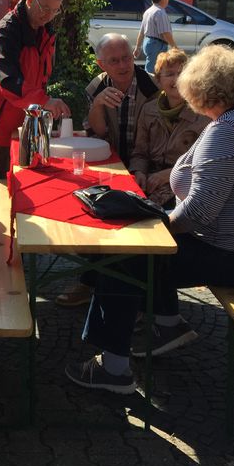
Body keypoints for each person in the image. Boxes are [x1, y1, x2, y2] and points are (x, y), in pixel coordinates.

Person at [65, 46, 234, 395]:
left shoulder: (226, 130)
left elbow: (198, 213)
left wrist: (156, 224)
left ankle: (114, 368)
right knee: (148, 247)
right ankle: (167, 324)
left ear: (201, 89)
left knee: (123, 258)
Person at [56, 32, 159, 308]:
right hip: (111, 165)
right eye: (114, 61)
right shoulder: (97, 86)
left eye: (127, 57)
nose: (124, 65)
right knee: (91, 211)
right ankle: (97, 278)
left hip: (145, 166)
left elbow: (156, 141)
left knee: (122, 220)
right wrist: (100, 103)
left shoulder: (153, 88)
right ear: (102, 64)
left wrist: (142, 170)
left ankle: (97, 282)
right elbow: (97, 132)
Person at [0, 0, 71, 180]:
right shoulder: (6, 31)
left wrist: (43, 110)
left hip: (22, 126)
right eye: (45, 8)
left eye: (55, 10)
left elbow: (40, 78)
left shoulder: (45, 32)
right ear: (31, 0)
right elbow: (8, 81)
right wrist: (45, 101)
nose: (49, 15)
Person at [128, 48, 210, 208]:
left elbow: (206, 165)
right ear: (159, 80)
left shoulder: (203, 114)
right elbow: (140, 152)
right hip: (150, 183)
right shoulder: (148, 110)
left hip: (184, 188)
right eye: (170, 74)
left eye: (181, 73)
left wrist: (169, 175)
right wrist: (139, 172)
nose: (177, 79)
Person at [133, 0, 177, 74]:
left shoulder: (148, 11)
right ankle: (149, 86)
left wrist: (137, 47)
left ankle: (152, 85)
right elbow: (165, 33)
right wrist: (175, 47)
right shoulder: (160, 12)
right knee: (153, 71)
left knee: (154, 68)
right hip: (157, 44)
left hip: (149, 42)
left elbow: (141, 32)